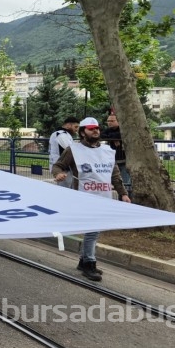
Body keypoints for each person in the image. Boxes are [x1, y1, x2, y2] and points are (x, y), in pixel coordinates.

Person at [52, 117, 130, 282]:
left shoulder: (107, 151)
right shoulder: (74, 150)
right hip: (83, 196)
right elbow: (58, 165)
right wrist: (58, 174)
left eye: (97, 128)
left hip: (103, 197)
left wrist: (123, 193)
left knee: (94, 230)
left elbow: (114, 175)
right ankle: (89, 263)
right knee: (93, 230)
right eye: (91, 128)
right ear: (82, 132)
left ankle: (83, 260)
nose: (96, 131)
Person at [101, 113, 131, 198]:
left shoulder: (123, 129)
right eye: (108, 121)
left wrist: (112, 138)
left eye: (112, 121)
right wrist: (114, 138)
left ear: (118, 121)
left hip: (124, 161)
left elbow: (120, 134)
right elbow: (102, 135)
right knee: (114, 182)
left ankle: (128, 198)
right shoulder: (108, 130)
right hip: (113, 161)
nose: (109, 123)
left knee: (125, 182)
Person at [49, 116, 79, 187]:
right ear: (68, 125)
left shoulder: (60, 134)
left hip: (61, 168)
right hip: (63, 169)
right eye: (75, 127)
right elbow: (72, 149)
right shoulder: (61, 134)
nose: (77, 129)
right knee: (66, 190)